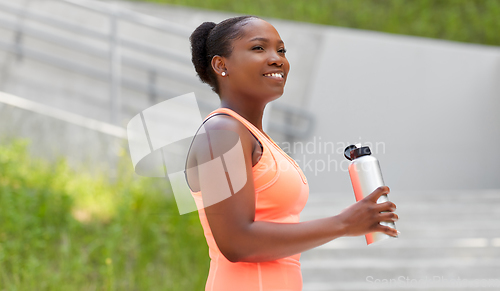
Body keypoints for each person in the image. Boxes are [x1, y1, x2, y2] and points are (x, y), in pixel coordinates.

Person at [184, 15, 399, 291]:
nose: (278, 59)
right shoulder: (221, 132)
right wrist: (343, 223)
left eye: (282, 50)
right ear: (221, 64)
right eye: (259, 48)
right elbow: (236, 242)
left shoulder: (251, 136)